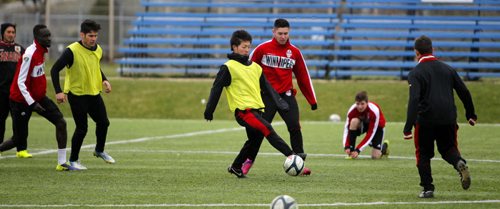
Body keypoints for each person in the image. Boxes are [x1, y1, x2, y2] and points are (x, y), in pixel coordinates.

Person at [204, 29, 297, 178]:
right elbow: (216, 89)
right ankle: (292, 156)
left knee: (254, 140)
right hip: (244, 112)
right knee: (267, 129)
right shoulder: (228, 67)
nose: (247, 50)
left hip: (257, 110)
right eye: (244, 47)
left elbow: (268, 87)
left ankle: (235, 166)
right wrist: (209, 110)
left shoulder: (255, 67)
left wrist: (280, 103)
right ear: (234, 47)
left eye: (249, 47)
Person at [403, 35, 477, 198]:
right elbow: (464, 91)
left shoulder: (415, 73)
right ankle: (459, 163)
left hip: (426, 120)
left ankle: (428, 188)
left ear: (416, 52)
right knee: (449, 149)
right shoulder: (448, 69)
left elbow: (414, 99)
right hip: (448, 118)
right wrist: (470, 114)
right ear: (433, 50)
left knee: (423, 154)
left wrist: (408, 127)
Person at [246, 18, 317, 175]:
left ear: (289, 32)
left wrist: (312, 100)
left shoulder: (295, 52)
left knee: (295, 127)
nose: (283, 36)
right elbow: (249, 72)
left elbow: (303, 76)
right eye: (280, 33)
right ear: (273, 32)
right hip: (267, 97)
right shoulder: (262, 49)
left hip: (286, 97)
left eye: (286, 33)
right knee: (260, 131)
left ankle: (300, 163)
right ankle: (248, 161)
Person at [0, 24, 76, 171]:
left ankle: (61, 163)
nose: (49, 38)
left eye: (49, 35)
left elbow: (37, 76)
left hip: (39, 97)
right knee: (18, 139)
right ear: (37, 38)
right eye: (45, 36)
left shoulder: (42, 51)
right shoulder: (29, 54)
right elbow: (20, 82)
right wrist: (32, 103)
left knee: (60, 122)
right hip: (21, 100)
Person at [51, 19, 114, 170]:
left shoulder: (98, 49)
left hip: (93, 93)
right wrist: (59, 91)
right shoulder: (71, 51)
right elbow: (54, 70)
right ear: (82, 35)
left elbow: (95, 67)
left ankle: (99, 150)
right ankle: (73, 160)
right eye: (90, 35)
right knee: (82, 128)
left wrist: (104, 80)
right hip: (77, 95)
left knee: (104, 123)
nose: (93, 39)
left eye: (95, 36)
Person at [342, 91, 389, 160]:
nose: (360, 107)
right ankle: (351, 151)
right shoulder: (352, 110)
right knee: (354, 121)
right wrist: (346, 146)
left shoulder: (374, 111)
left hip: (377, 127)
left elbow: (371, 132)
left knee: (375, 157)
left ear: (367, 103)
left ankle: (384, 147)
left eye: (362, 104)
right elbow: (346, 129)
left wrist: (358, 150)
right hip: (364, 124)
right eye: (357, 104)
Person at [0, 23, 24, 145]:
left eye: (13, 32)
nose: (11, 34)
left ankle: (21, 149)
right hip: (1, 92)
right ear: (3, 33)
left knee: (18, 120)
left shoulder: (20, 49)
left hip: (16, 92)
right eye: (8, 32)